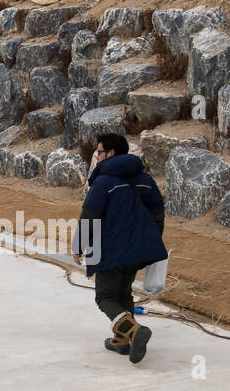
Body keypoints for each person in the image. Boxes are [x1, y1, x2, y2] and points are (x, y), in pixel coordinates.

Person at [71, 132, 167, 363]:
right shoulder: (145, 180)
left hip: (111, 249)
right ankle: (123, 340)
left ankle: (134, 331)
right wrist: (150, 243)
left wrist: (78, 246)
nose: (97, 155)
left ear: (111, 153)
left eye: (100, 151)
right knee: (123, 292)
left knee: (105, 297)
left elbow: (90, 216)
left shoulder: (104, 182)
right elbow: (157, 214)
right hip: (138, 249)